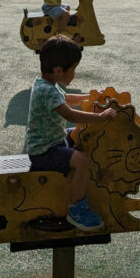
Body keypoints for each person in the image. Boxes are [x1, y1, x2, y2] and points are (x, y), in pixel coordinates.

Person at [25, 35, 116, 230]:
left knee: (81, 133)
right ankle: (77, 209)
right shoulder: (46, 91)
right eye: (73, 69)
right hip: (44, 152)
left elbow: (67, 98)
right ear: (58, 70)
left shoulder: (48, 83)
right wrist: (100, 117)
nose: (74, 74)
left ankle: (84, 184)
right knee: (82, 160)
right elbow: (70, 114)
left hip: (53, 139)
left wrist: (92, 98)